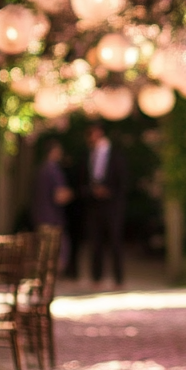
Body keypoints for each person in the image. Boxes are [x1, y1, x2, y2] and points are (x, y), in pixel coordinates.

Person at [83, 122, 127, 287]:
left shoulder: (116, 154)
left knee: (115, 242)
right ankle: (96, 277)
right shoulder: (88, 155)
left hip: (113, 206)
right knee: (96, 242)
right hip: (94, 205)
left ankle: (119, 279)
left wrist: (109, 192)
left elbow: (123, 182)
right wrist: (92, 191)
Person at [31, 138, 73, 270]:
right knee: (56, 252)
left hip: (40, 216)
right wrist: (71, 194)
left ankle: (44, 282)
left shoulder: (41, 169)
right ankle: (49, 281)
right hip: (52, 218)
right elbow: (59, 196)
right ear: (54, 152)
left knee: (44, 252)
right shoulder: (53, 170)